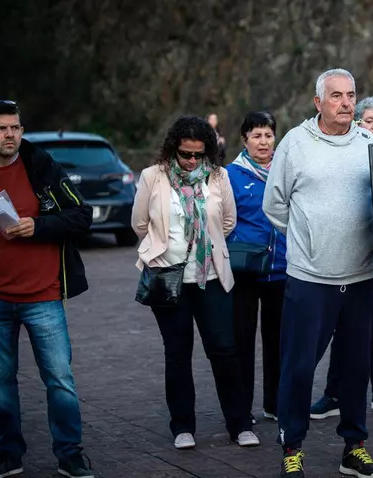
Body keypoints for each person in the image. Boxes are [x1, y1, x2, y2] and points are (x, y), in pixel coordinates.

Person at [0, 100, 95, 478]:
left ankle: (70, 455)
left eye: (15, 128)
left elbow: (81, 215)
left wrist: (37, 226)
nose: (9, 135)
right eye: (1, 129)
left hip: (43, 296)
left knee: (59, 379)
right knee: (1, 383)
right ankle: (8, 455)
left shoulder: (42, 167)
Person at [263, 68, 373, 478]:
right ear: (318, 102)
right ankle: (292, 448)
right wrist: (309, 239)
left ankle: (354, 448)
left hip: (361, 278)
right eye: (336, 96)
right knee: (299, 368)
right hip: (310, 279)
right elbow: (274, 204)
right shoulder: (295, 143)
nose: (345, 103)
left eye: (350, 95)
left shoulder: (368, 143)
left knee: (356, 370)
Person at [131, 115, 259, 450]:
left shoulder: (218, 176)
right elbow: (140, 224)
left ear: (208, 152)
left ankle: (240, 424)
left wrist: (205, 246)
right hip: (168, 277)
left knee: (224, 350)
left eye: (198, 154)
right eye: (185, 154)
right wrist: (164, 247)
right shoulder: (152, 177)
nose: (191, 160)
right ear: (173, 149)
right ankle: (183, 426)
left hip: (211, 277)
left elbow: (228, 221)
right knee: (177, 353)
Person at [310, 96, 373, 420]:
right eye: (369, 120)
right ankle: (334, 394)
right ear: (357, 123)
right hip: (352, 256)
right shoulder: (345, 157)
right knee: (346, 327)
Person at [226, 110, 286, 424]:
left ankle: (274, 404)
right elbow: (222, 221)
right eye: (256, 135)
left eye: (268, 135)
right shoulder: (229, 175)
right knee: (242, 342)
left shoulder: (286, 169)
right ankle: (242, 409)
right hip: (245, 270)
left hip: (282, 269)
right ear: (244, 140)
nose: (263, 142)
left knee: (278, 341)